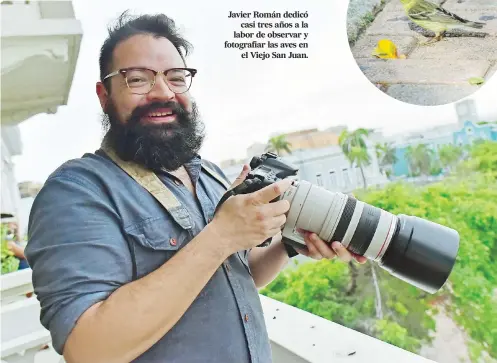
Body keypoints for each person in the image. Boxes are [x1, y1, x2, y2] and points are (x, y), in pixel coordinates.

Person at [25, 11, 366, 363]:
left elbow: (237, 273)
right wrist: (221, 235)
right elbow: (89, 348)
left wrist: (288, 244)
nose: (163, 92)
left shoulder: (209, 175)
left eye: (176, 77)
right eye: (138, 79)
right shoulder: (76, 192)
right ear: (104, 95)